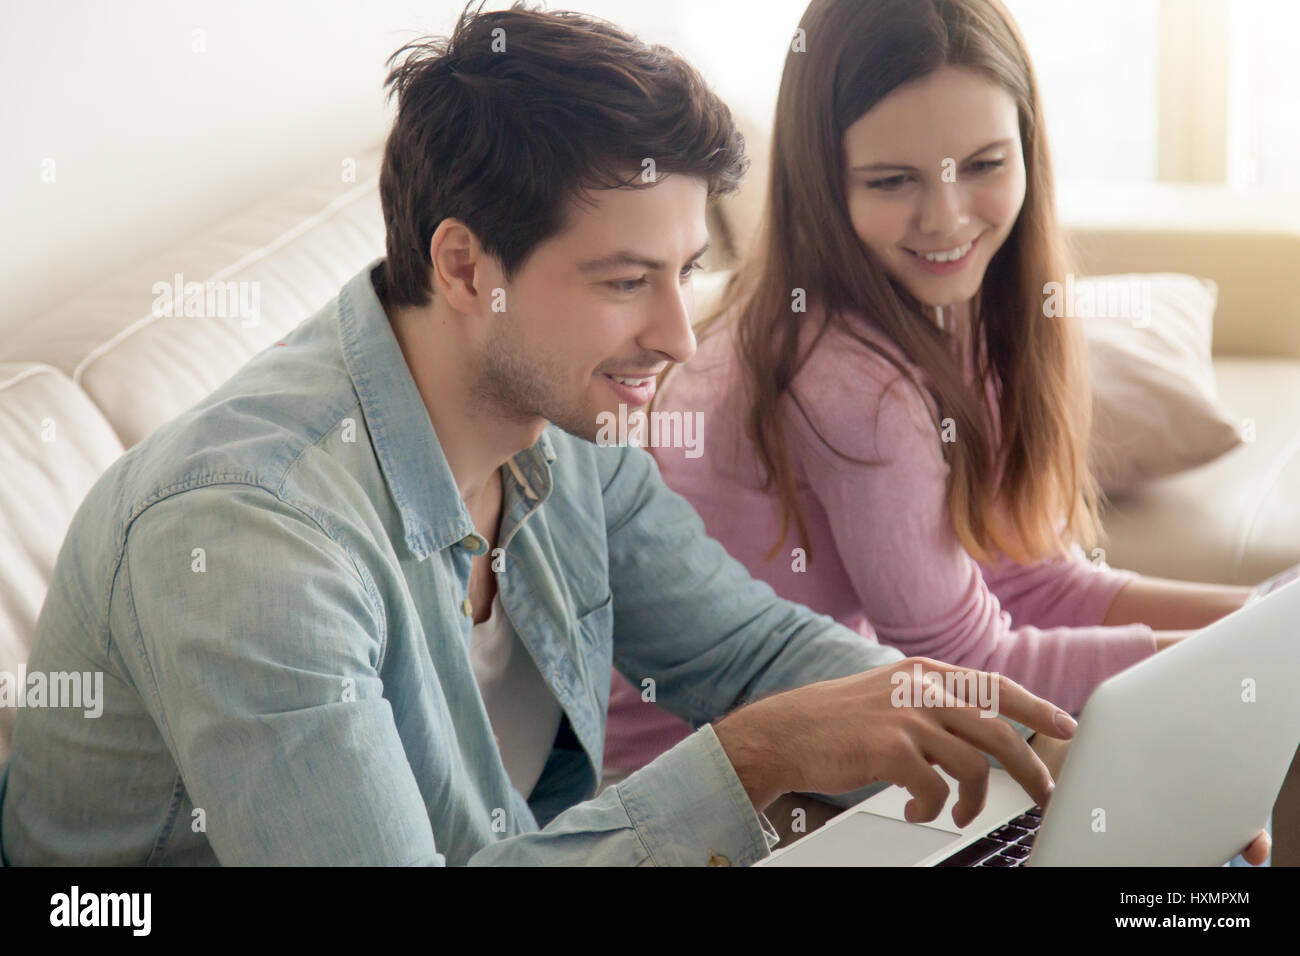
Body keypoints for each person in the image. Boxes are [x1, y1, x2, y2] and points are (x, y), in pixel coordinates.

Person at [0, 1, 1111, 868]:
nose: (677, 334)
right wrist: (759, 755)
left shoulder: (563, 425)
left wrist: (1046, 756)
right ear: (463, 265)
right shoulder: (252, 538)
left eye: (685, 272)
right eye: (626, 280)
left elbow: (755, 653)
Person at [602, 0, 1275, 865]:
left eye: (985, 164)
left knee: (1198, 850)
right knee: (1194, 866)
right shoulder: (846, 379)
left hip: (858, 757)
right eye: (893, 181)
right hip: (746, 813)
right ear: (822, 178)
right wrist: (1236, 665)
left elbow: (1030, 579)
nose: (947, 218)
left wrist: (1260, 625)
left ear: (1028, 147)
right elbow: (971, 658)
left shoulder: (948, 307)